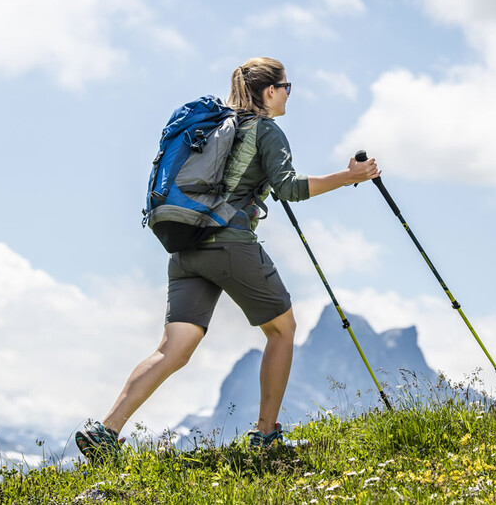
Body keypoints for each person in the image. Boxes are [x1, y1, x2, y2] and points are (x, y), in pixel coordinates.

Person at [75, 57, 380, 459]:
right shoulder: (266, 130)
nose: (290, 94)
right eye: (287, 86)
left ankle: (106, 430)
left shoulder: (218, 128)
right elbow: (288, 188)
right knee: (282, 329)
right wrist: (349, 176)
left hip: (186, 247)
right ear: (270, 91)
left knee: (174, 348)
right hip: (229, 244)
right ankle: (266, 436)